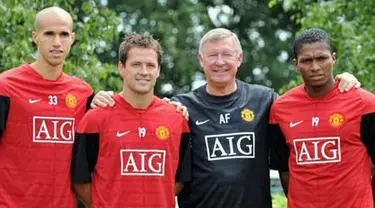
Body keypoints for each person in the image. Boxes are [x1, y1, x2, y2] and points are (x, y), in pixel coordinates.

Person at [92, 28, 360, 208]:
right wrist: (103, 98)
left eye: (227, 55)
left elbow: (309, 106)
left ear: (239, 58)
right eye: (212, 56)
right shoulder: (180, 107)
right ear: (200, 61)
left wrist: (342, 82)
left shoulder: (266, 100)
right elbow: (140, 113)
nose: (220, 62)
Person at [70, 32, 191, 208]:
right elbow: (79, 180)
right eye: (136, 64)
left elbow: (180, 179)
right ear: (121, 67)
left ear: (158, 70)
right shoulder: (95, 119)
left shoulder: (177, 119)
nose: (144, 72)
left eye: (150, 65)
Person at [270, 28, 375, 208]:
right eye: (307, 60)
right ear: (296, 64)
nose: (315, 67)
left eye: (321, 58)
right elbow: (284, 168)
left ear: (333, 58)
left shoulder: (365, 104)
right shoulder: (280, 109)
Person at [0, 6, 94, 207]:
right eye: (49, 34)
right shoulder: (5, 86)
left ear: (72, 38)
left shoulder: (83, 94)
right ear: (35, 37)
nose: (57, 42)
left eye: (64, 34)